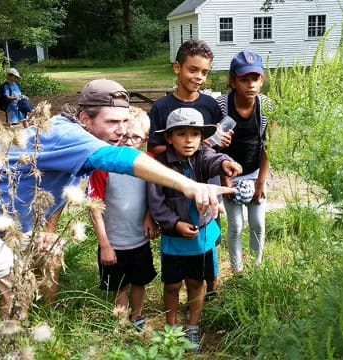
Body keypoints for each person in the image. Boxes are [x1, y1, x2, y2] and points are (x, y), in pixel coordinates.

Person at [0, 79, 234, 318]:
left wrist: (48, 228)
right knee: (15, 286)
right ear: (84, 117)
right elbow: (122, 159)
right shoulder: (67, 135)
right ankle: (9, 343)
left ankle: (35, 323)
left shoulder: (68, 141)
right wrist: (188, 185)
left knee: (44, 261)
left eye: (124, 122)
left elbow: (53, 188)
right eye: (112, 122)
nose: (121, 130)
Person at [147, 107, 242, 351]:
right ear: (168, 137)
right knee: (171, 285)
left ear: (202, 137)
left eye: (195, 134)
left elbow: (215, 160)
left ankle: (192, 326)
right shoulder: (160, 166)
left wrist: (227, 163)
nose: (189, 140)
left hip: (201, 237)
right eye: (181, 134)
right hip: (173, 239)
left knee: (196, 282)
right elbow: (156, 203)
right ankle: (170, 328)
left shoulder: (202, 156)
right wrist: (174, 224)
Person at [147, 38, 232, 298]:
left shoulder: (209, 105)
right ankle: (180, 283)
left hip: (206, 181)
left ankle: (211, 285)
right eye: (192, 70)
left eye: (204, 72)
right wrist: (192, 145)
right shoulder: (161, 107)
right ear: (177, 68)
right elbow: (154, 149)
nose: (198, 77)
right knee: (182, 230)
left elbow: (216, 145)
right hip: (173, 183)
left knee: (209, 232)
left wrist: (220, 142)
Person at [88, 107, 158, 330]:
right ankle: (120, 322)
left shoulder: (148, 163)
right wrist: (105, 244)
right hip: (114, 241)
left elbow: (153, 194)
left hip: (139, 238)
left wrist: (150, 216)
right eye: (124, 136)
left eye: (135, 137)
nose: (129, 142)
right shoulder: (103, 167)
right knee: (120, 285)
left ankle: (137, 316)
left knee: (139, 281)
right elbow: (94, 208)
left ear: (145, 140)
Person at [216, 51, 272, 273]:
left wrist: (261, 180)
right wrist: (224, 179)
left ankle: (256, 266)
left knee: (258, 223)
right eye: (244, 79)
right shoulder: (222, 106)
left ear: (262, 79)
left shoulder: (265, 106)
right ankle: (237, 269)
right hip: (229, 174)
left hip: (255, 172)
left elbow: (270, 145)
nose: (251, 85)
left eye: (255, 79)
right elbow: (217, 146)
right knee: (236, 225)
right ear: (232, 80)